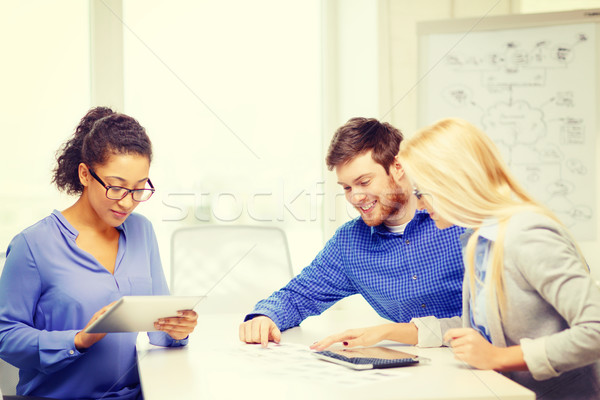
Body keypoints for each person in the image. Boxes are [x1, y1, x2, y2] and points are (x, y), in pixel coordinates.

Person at [314, 117, 600, 399]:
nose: (421, 204)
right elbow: (478, 329)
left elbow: (595, 330)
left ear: (454, 184)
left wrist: (498, 358)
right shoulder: (480, 241)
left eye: (423, 192)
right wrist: (389, 332)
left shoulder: (526, 234)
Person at [0, 107, 198, 400]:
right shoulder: (33, 244)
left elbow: (159, 330)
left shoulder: (142, 231)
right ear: (85, 174)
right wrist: (78, 340)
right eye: (117, 188)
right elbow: (5, 336)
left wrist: (177, 329)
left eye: (139, 189)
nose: (128, 203)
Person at [239, 117, 465, 347]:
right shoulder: (350, 243)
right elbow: (299, 296)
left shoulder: (459, 219)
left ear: (398, 167)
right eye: (347, 187)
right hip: (415, 364)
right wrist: (264, 316)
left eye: (364, 182)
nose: (355, 197)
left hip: (480, 363)